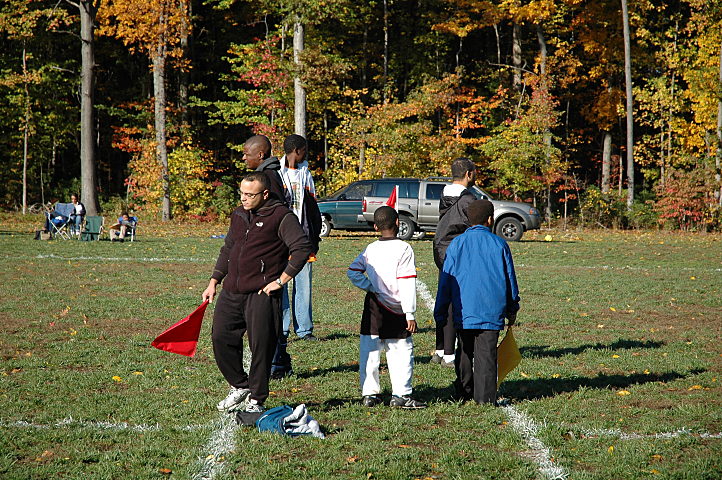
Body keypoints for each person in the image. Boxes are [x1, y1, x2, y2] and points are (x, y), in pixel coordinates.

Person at [202, 171, 313, 414]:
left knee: (261, 348)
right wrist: (214, 281)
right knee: (220, 338)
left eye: (250, 195)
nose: (244, 198)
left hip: (262, 294)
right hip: (231, 291)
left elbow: (302, 248)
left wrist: (281, 281)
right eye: (241, 193)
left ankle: (257, 400)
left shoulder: (281, 216)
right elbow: (228, 248)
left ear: (264, 194)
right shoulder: (239, 214)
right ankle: (240, 385)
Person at [434, 199, 520, 405]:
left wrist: (440, 310)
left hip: (464, 309)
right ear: (490, 219)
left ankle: (464, 390)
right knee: (487, 354)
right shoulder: (500, 244)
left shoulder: (457, 244)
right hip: (491, 311)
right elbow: (510, 279)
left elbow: (445, 280)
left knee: (464, 350)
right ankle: (485, 398)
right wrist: (512, 307)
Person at [347, 206, 427, 409]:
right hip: (397, 309)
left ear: (375, 227)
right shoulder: (404, 248)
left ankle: (369, 394)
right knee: (401, 351)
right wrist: (410, 313)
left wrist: (370, 286)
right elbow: (406, 282)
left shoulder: (370, 249)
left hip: (374, 306)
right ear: (398, 223)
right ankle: (401, 395)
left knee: (370, 351)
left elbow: (353, 271)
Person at [270, 134, 323, 378]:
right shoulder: (276, 173)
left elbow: (313, 207)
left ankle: (304, 330)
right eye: (305, 150)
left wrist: (314, 237)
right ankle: (282, 328)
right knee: (281, 284)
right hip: (280, 240)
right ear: (297, 151)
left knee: (304, 285)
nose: (306, 154)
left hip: (302, 240)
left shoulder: (306, 174)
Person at [431, 157, 477, 368]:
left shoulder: (445, 194)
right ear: (468, 174)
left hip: (441, 249)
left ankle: (440, 349)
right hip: (457, 252)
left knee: (444, 298)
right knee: (453, 301)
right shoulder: (468, 199)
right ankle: (449, 354)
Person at [242, 134, 287, 204]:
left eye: (247, 154)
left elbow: (276, 205)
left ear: (260, 155)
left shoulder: (268, 176)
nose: (243, 158)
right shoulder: (266, 174)